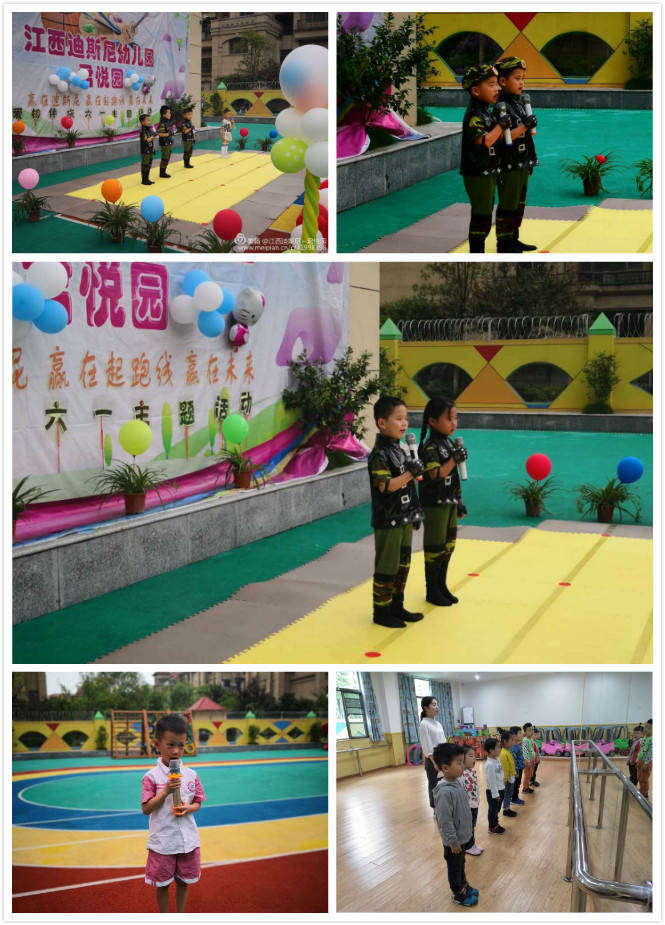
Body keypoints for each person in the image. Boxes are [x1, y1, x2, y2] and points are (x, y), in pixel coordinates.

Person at [367, 396, 424, 628]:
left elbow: (409, 487)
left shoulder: (401, 451)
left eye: (406, 419)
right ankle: (381, 611)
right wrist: (410, 473)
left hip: (404, 516)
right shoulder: (379, 455)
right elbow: (386, 486)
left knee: (403, 564)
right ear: (382, 423)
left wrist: (415, 512)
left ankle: (396, 606)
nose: (404, 423)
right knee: (387, 566)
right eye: (399, 419)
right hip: (388, 519)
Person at [141, 713, 205, 913]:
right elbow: (146, 808)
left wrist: (189, 808)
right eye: (170, 745)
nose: (176, 751)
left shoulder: (191, 775)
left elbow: (198, 803)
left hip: (187, 841)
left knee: (184, 882)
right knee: (163, 884)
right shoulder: (151, 777)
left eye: (181, 745)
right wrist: (165, 791)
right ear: (157, 744)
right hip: (163, 842)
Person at [418, 397, 468, 606]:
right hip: (435, 504)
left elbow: (454, 477)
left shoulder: (449, 443)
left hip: (449, 502)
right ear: (432, 421)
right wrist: (454, 460)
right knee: (435, 548)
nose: (453, 423)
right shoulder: (430, 447)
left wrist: (459, 501)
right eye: (449, 419)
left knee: (449, 546)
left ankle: (441, 585)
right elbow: (436, 474)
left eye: (455, 418)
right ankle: (432, 590)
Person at [495, 56, 539, 252]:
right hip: (508, 162)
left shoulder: (519, 103)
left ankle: (514, 237)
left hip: (522, 160)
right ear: (503, 81)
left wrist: (531, 159)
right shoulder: (500, 106)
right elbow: (502, 137)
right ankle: (504, 242)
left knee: (519, 202)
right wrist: (524, 126)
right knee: (508, 202)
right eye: (517, 78)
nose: (521, 83)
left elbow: (527, 135)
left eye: (523, 79)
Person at [459, 63, 502, 253]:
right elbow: (484, 141)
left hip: (488, 169)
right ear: (476, 91)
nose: (497, 88)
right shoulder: (475, 115)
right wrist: (501, 126)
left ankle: (478, 249)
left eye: (497, 84)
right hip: (477, 172)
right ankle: (476, 252)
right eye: (491, 85)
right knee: (481, 214)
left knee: (486, 212)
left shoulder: (486, 112)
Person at [432, 742, 478, 907]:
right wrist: (453, 842)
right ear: (445, 768)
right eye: (459, 763)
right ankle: (458, 893)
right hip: (454, 842)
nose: (462, 765)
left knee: (461, 864)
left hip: (462, 837)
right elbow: (445, 821)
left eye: (462, 761)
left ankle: (463, 885)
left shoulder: (457, 782)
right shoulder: (444, 792)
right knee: (455, 867)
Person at [419, 696, 446, 810]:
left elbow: (443, 741)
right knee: (434, 785)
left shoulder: (438, 724)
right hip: (432, 760)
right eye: (434, 705)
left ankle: (443, 805)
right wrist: (434, 763)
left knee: (444, 783)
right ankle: (435, 809)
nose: (437, 707)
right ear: (426, 708)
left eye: (437, 704)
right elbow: (426, 746)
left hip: (443, 757)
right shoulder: (424, 724)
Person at [460, 745, 482, 855]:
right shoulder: (461, 775)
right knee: (468, 827)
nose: (474, 758)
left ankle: (472, 844)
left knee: (472, 826)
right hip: (467, 807)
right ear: (461, 758)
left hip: (474, 804)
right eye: (470, 755)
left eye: (474, 755)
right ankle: (468, 847)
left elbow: (475, 787)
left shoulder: (472, 771)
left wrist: (477, 799)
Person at [484, 737, 505, 834]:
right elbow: (491, 781)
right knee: (493, 810)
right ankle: (492, 827)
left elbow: (500, 773)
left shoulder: (497, 759)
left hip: (500, 788)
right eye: (498, 747)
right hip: (493, 792)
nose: (500, 749)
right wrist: (495, 794)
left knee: (496, 809)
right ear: (491, 750)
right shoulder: (490, 764)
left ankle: (496, 824)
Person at [499, 729, 517, 818]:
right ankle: (506, 809)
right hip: (507, 779)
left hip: (510, 777)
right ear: (505, 742)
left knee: (510, 793)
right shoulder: (503, 753)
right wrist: (505, 779)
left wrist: (514, 773)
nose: (514, 741)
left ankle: (507, 807)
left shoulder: (508, 751)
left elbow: (511, 764)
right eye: (512, 740)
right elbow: (504, 768)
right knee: (507, 794)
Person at [157, 105, 174, 179]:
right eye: (168, 113)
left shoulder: (168, 122)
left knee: (167, 157)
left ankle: (163, 171)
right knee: (165, 157)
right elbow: (160, 134)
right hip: (164, 143)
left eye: (170, 113)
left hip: (168, 142)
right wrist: (169, 134)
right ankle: (162, 173)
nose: (170, 114)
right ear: (164, 114)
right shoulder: (162, 123)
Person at [636, 719, 652, 799]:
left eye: (649, 728)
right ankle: (641, 790)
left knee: (644, 778)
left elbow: (650, 753)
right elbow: (641, 749)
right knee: (639, 777)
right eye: (645, 727)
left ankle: (645, 794)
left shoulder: (652, 739)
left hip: (647, 762)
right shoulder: (644, 738)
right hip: (641, 760)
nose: (646, 729)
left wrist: (646, 763)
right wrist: (638, 759)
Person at [510, 726, 526, 805]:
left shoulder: (517, 745)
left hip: (519, 768)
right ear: (514, 735)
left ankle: (515, 797)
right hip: (516, 770)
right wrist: (516, 771)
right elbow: (513, 761)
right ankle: (514, 799)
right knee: (515, 784)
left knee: (518, 784)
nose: (521, 734)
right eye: (519, 733)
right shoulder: (513, 747)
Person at [139, 112, 155, 186]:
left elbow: (151, 140)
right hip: (145, 151)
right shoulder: (143, 131)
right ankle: (144, 180)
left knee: (149, 165)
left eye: (149, 120)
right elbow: (146, 140)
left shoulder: (149, 129)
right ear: (142, 122)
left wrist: (153, 149)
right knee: (145, 165)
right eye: (147, 120)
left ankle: (147, 179)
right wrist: (153, 136)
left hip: (150, 150)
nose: (149, 122)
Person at [521, 722, 537, 794]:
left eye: (532, 730)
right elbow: (525, 752)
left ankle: (527, 786)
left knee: (530, 774)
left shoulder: (531, 739)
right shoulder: (525, 740)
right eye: (529, 730)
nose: (531, 731)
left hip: (531, 759)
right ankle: (525, 789)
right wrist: (528, 761)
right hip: (527, 761)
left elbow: (532, 750)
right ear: (525, 732)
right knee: (527, 775)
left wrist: (534, 758)